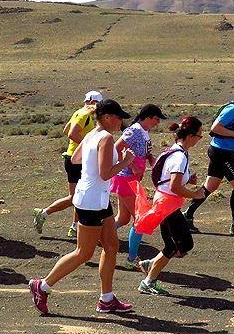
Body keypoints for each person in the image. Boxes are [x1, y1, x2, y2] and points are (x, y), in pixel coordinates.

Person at [28, 99, 136, 315]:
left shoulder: (92, 135)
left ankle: (106, 299)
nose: (121, 121)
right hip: (92, 202)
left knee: (111, 246)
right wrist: (125, 162)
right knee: (83, 253)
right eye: (119, 117)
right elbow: (105, 173)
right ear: (107, 117)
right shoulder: (104, 137)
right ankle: (43, 286)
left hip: (98, 199)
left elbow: (76, 158)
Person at [133, 116, 207, 295]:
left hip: (169, 205)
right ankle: (148, 282)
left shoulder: (173, 151)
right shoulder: (179, 157)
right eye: (199, 135)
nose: (200, 139)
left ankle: (150, 264)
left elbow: (167, 180)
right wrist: (195, 195)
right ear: (190, 136)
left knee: (185, 244)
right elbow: (174, 186)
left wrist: (188, 180)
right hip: (167, 207)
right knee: (173, 246)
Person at [183, 88, 234, 234]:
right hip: (222, 152)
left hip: (220, 151)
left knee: (210, 186)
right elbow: (215, 128)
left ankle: (187, 216)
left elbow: (232, 127)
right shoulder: (233, 109)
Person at [33, 90, 102, 237]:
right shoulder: (85, 115)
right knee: (74, 197)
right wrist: (88, 147)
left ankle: (75, 226)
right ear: (91, 102)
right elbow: (71, 133)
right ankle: (44, 214)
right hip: (76, 161)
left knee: (80, 195)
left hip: (76, 159)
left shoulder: (79, 112)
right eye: (98, 104)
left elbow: (66, 130)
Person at [116, 104, 166, 269]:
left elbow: (137, 150)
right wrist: (131, 166)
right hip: (126, 178)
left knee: (123, 218)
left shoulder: (143, 131)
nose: (158, 123)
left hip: (130, 179)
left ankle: (94, 235)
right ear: (148, 117)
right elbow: (117, 148)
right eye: (157, 119)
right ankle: (131, 260)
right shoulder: (135, 131)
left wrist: (149, 157)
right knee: (141, 219)